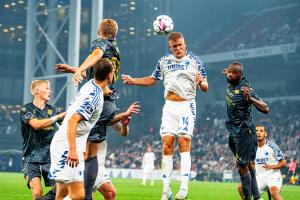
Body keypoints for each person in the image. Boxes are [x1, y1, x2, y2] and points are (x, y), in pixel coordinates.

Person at [122, 32, 208, 200]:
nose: (178, 48)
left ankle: (183, 188)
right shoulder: (164, 61)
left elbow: (205, 86)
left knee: (184, 142)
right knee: (166, 145)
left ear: (185, 44)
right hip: (169, 106)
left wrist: (200, 82)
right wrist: (133, 81)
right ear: (170, 47)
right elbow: (152, 79)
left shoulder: (195, 61)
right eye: (174, 46)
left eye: (180, 45)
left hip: (187, 105)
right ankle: (166, 189)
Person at [55, 18, 125, 200]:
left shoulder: (100, 43)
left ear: (99, 32)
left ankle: (84, 193)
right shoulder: (115, 48)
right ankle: (81, 190)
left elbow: (95, 55)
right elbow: (97, 71)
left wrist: (79, 70)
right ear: (115, 34)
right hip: (109, 100)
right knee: (91, 150)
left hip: (100, 99)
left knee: (86, 150)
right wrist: (75, 69)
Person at [48, 58, 113, 200]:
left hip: (66, 141)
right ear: (110, 75)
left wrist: (73, 69)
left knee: (62, 193)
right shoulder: (95, 96)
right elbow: (73, 121)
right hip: (68, 145)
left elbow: (89, 73)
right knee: (78, 196)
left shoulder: (91, 84)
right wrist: (72, 150)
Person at [224, 61, 269, 200]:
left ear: (240, 75)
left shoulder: (245, 88)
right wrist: (229, 71)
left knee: (241, 166)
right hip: (234, 130)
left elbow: (266, 108)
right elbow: (230, 73)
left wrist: (250, 100)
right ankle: (257, 197)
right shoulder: (230, 80)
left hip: (244, 132)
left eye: (233, 73)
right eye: (229, 72)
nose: (230, 75)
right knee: (249, 164)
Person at [20, 80, 66, 200]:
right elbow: (36, 125)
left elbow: (69, 125)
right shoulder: (26, 109)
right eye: (47, 88)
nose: (50, 91)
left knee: (60, 190)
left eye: (50, 89)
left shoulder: (54, 110)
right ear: (36, 91)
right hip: (30, 158)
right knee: (37, 193)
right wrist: (57, 117)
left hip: (50, 159)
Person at [237, 125, 286, 200]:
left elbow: (283, 163)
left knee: (274, 193)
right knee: (241, 187)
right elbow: (251, 164)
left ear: (265, 134)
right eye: (256, 131)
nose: (258, 133)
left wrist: (271, 166)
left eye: (261, 131)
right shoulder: (251, 148)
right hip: (259, 178)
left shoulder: (272, 146)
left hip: (273, 176)